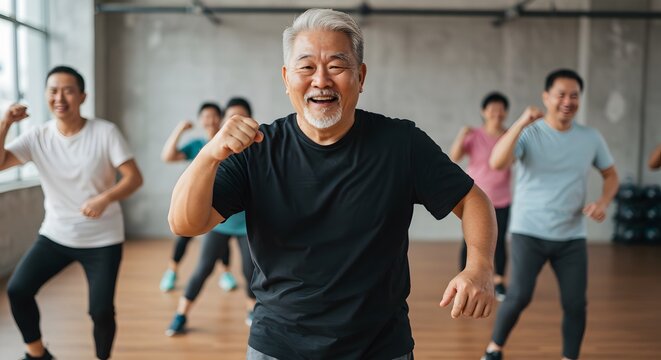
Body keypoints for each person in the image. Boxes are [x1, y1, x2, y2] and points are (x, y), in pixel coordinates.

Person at [169, 9, 497, 359]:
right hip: (279, 346)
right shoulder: (256, 149)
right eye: (306, 66)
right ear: (286, 77)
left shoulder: (401, 143)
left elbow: (472, 200)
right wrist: (208, 156)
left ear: (361, 75)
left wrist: (480, 265)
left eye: (337, 66)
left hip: (380, 347)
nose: (321, 80)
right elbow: (185, 223)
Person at [1, 66, 143, 360]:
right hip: (56, 233)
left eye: (68, 90)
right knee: (18, 290)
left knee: (101, 311)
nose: (59, 97)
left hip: (102, 238)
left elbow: (134, 178)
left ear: (82, 96)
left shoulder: (105, 132)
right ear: (45, 96)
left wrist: (105, 198)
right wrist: (5, 123)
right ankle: (37, 354)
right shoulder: (37, 136)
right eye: (53, 90)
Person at [482, 69, 619, 360]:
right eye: (561, 94)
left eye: (574, 95)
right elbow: (497, 162)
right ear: (546, 97)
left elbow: (611, 175)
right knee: (518, 296)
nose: (567, 101)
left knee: (575, 303)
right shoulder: (529, 132)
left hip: (571, 235)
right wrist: (520, 122)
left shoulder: (590, 138)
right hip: (528, 231)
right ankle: (494, 348)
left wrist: (603, 202)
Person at [166, 97, 258, 336]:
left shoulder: (259, 149)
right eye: (230, 116)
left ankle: (251, 311)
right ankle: (181, 315)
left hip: (246, 226)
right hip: (218, 224)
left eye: (242, 116)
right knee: (203, 269)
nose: (236, 121)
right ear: (224, 121)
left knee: (250, 271)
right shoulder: (214, 148)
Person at [159, 102, 238, 292]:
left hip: (221, 199)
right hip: (195, 200)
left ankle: (226, 273)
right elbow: (168, 156)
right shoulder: (197, 145)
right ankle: (172, 271)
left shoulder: (229, 143)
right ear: (201, 120)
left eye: (214, 116)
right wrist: (180, 129)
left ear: (221, 118)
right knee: (184, 237)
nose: (210, 120)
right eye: (206, 116)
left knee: (222, 237)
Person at [450, 92, 512, 302]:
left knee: (500, 241)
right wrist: (461, 135)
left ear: (506, 112)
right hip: (474, 199)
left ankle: (499, 282)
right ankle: (464, 280)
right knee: (470, 240)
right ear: (483, 112)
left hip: (502, 198)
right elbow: (455, 157)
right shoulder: (474, 135)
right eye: (492, 109)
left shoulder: (510, 136)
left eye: (501, 109)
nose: (497, 113)